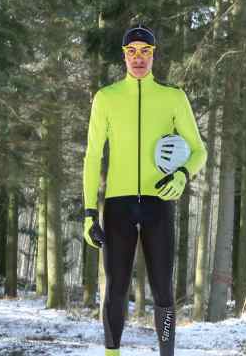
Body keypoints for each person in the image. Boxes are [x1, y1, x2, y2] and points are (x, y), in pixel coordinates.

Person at [82, 25, 207, 356]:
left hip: (158, 203)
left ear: (154, 56)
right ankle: (112, 353)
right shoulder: (106, 98)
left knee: (163, 290)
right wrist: (89, 213)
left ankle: (167, 353)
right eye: (132, 52)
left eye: (145, 52)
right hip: (119, 205)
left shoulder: (173, 98)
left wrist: (182, 174)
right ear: (124, 56)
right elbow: (93, 156)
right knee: (116, 288)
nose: (138, 58)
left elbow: (199, 151)